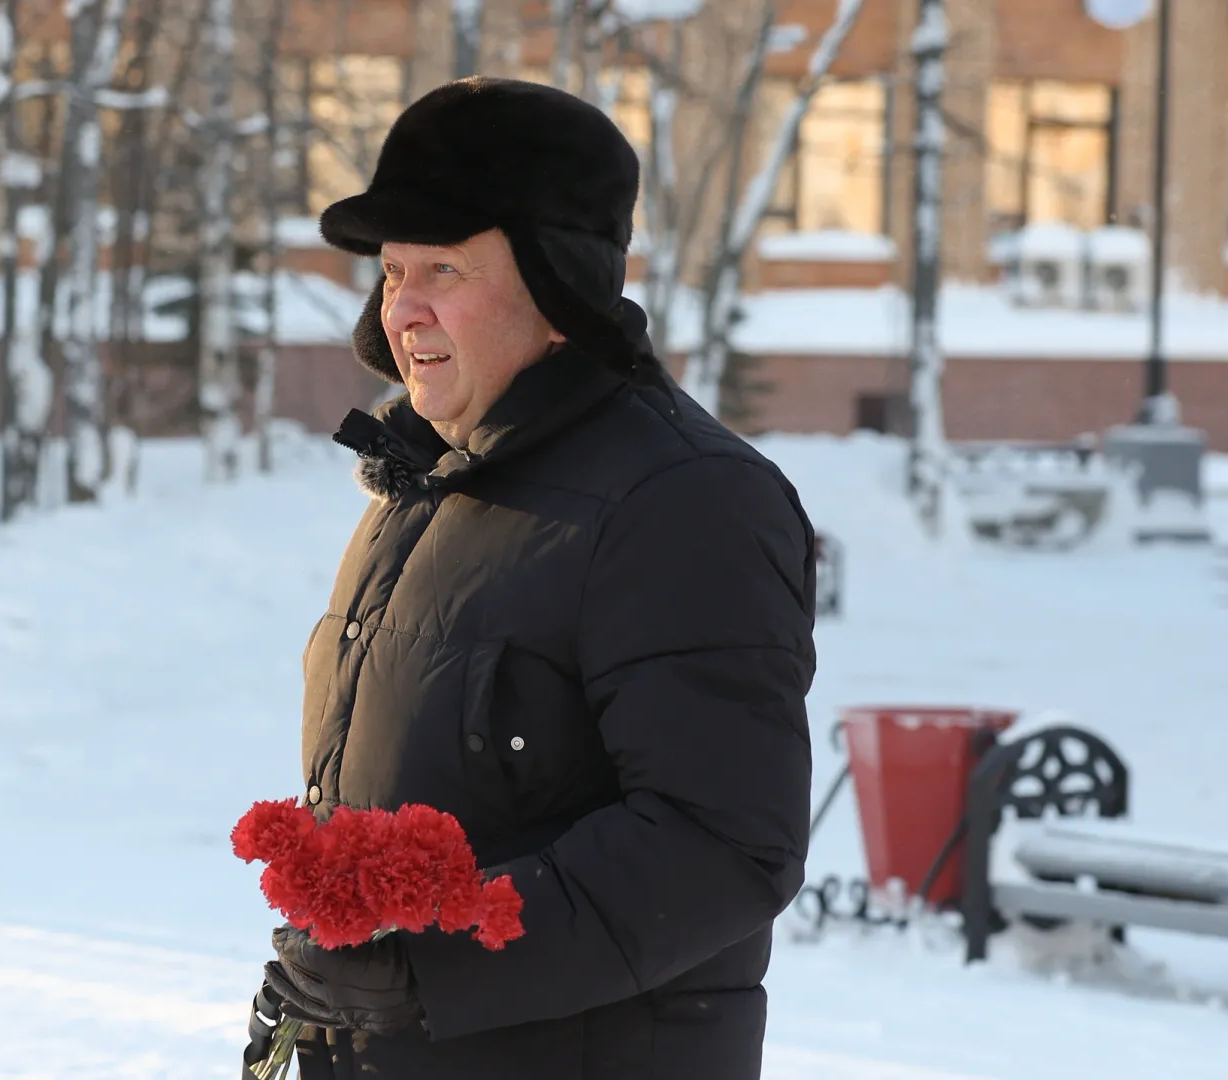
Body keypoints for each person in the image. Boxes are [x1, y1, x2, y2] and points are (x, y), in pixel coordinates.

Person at [243, 76, 818, 1080]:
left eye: (447, 269)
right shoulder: (426, 481)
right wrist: (324, 991)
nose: (404, 309)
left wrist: (430, 970)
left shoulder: (683, 500)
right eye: (391, 271)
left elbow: (722, 843)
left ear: (559, 283)